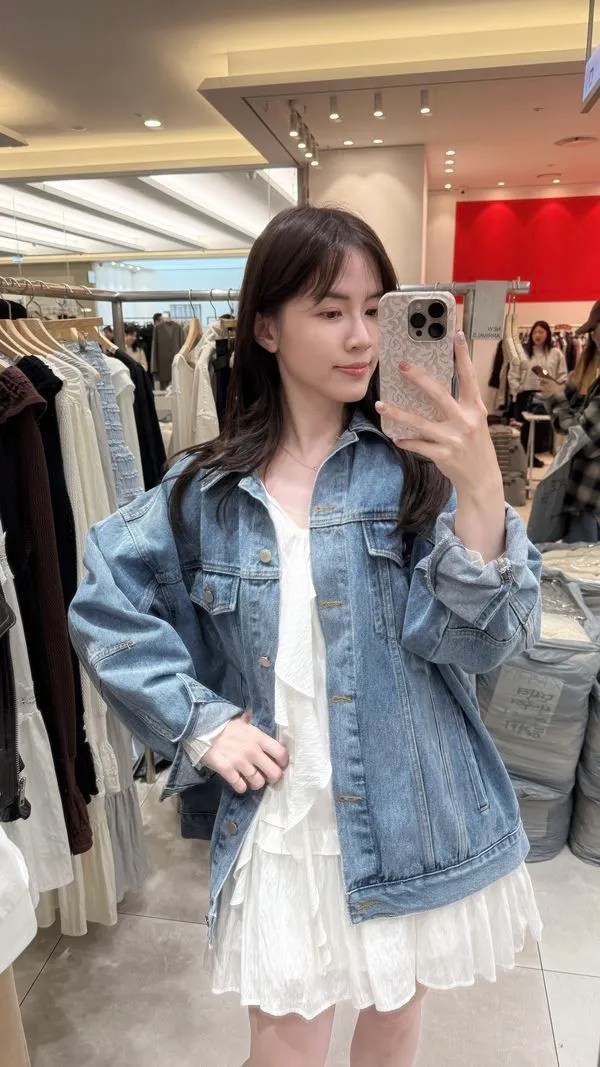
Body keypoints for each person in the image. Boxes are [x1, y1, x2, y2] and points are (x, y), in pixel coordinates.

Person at [69, 207, 542, 1067]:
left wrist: (480, 490)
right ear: (266, 328)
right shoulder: (207, 489)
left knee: (393, 1027)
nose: (360, 336)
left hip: (412, 809)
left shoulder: (416, 472)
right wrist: (201, 723)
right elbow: (104, 599)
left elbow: (482, 644)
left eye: (375, 309)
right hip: (283, 815)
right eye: (330, 310)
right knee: (286, 1046)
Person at [537, 304, 600, 543]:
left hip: (590, 499)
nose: (592, 337)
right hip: (586, 496)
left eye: (594, 329)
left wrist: (555, 396)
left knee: (584, 561)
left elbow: (578, 436)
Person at [512, 320, 566, 466]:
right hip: (525, 396)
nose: (537, 335)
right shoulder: (522, 352)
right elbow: (513, 374)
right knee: (524, 430)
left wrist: (558, 391)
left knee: (542, 430)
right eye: (535, 332)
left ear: (547, 334)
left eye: (541, 332)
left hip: (546, 395)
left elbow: (562, 375)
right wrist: (517, 390)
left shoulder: (556, 353)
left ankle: (534, 457)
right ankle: (524, 460)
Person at [571, 299, 600, 397]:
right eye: (591, 330)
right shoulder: (588, 354)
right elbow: (575, 386)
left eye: (595, 329)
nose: (592, 334)